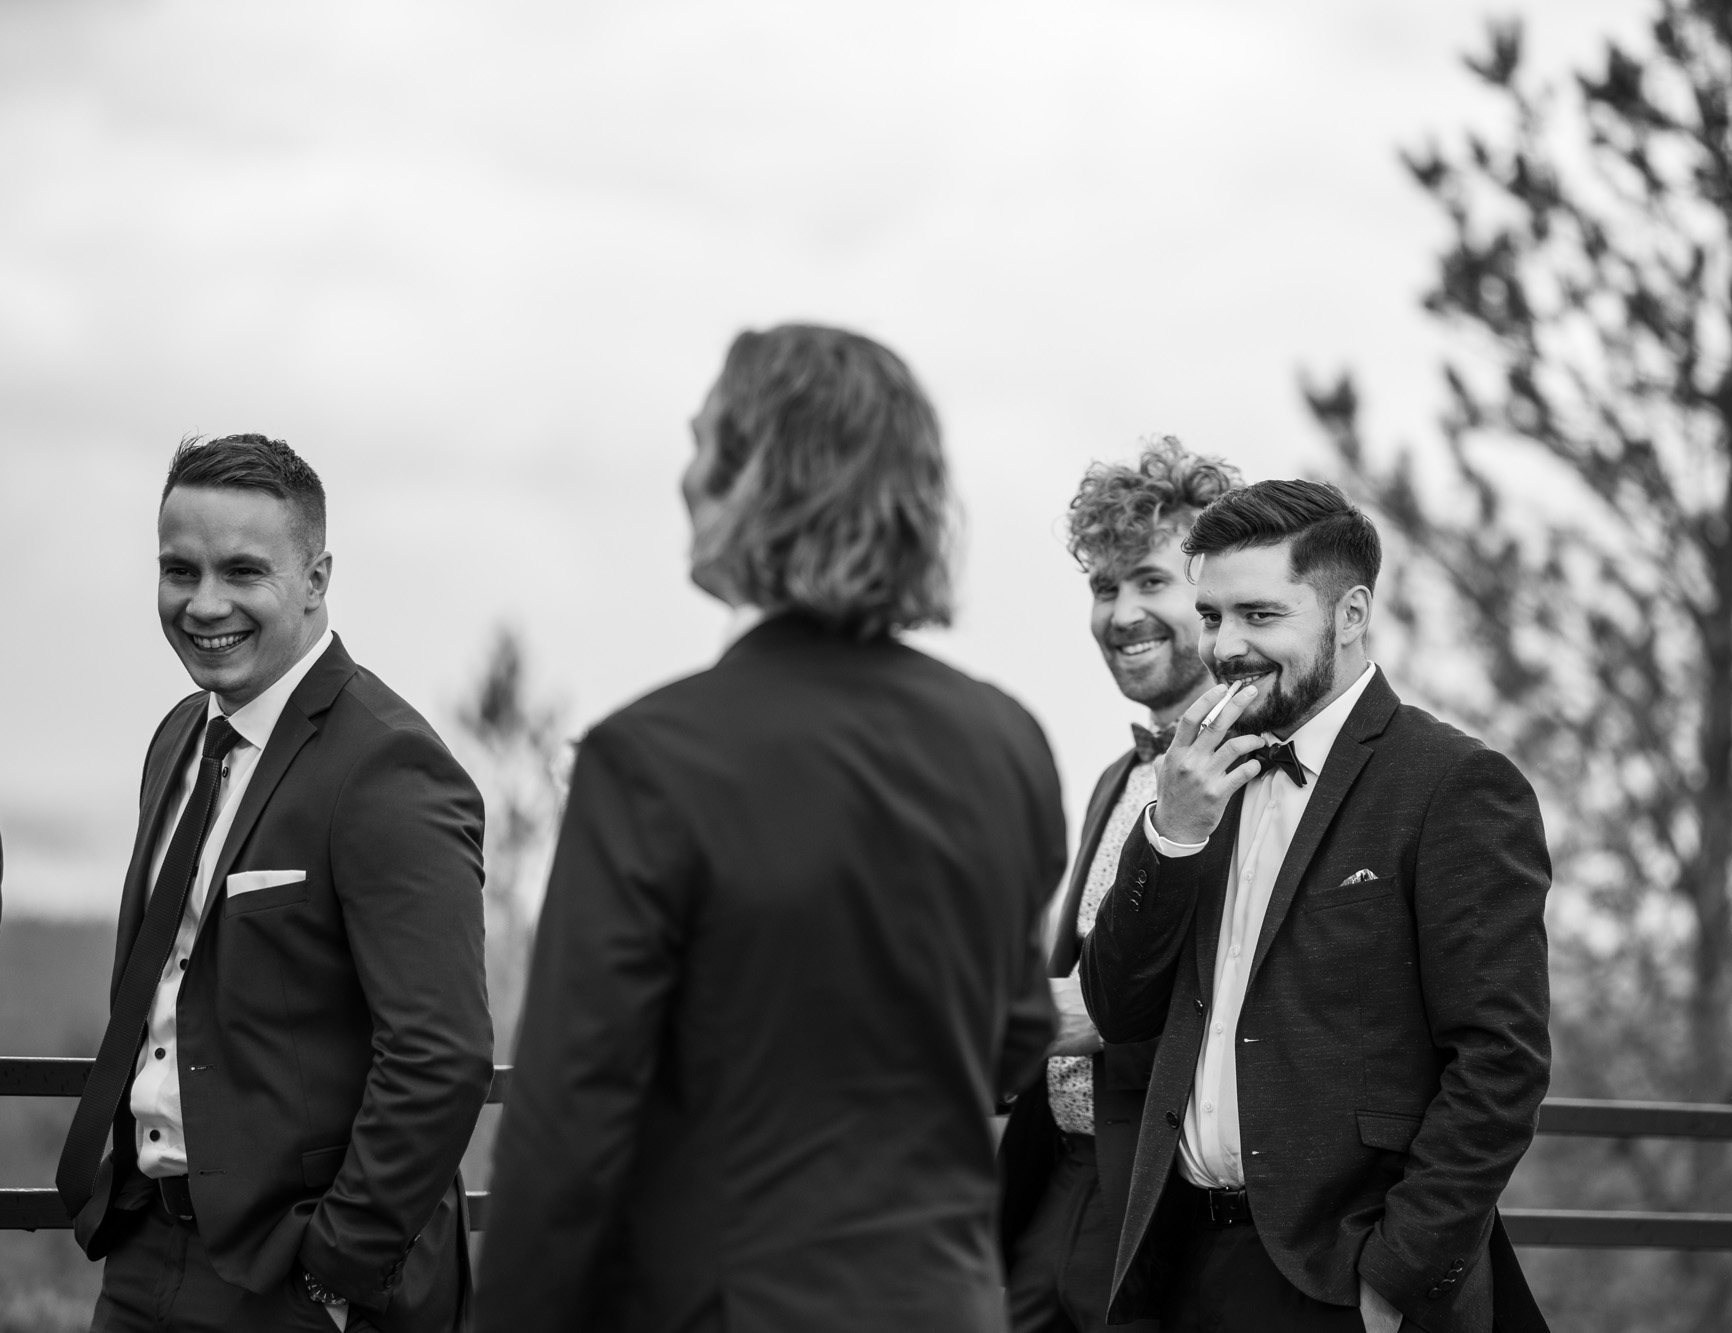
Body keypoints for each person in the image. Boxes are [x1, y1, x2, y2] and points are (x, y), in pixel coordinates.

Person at [475, 324, 1065, 1333]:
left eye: (702, 442)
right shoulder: (1007, 740)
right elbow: (1014, 1038)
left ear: (754, 478)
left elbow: (567, 1121)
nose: (683, 477)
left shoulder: (651, 758)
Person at [1080, 480, 1551, 1333]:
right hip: (1179, 1265)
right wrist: (1170, 833)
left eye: (1260, 616)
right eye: (1213, 615)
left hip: (1342, 1280)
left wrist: (1397, 1275)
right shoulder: (1200, 777)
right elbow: (1119, 1007)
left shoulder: (1455, 784)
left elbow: (1500, 1062)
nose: (1226, 646)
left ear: (1350, 613)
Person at [56, 435, 492, 1332]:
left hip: (295, 1281)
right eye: (180, 570)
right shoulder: (179, 737)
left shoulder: (388, 765)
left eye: (243, 571)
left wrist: (335, 1270)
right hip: (141, 1256)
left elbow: (439, 1055)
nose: (204, 602)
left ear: (316, 578)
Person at [999, 437, 1238, 1333]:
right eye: (1105, 588)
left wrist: (1062, 1012)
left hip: (1157, 1193)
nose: (1123, 613)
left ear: (1214, 597)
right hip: (1054, 1179)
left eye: (1150, 581)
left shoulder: (1257, 773)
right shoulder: (1114, 776)